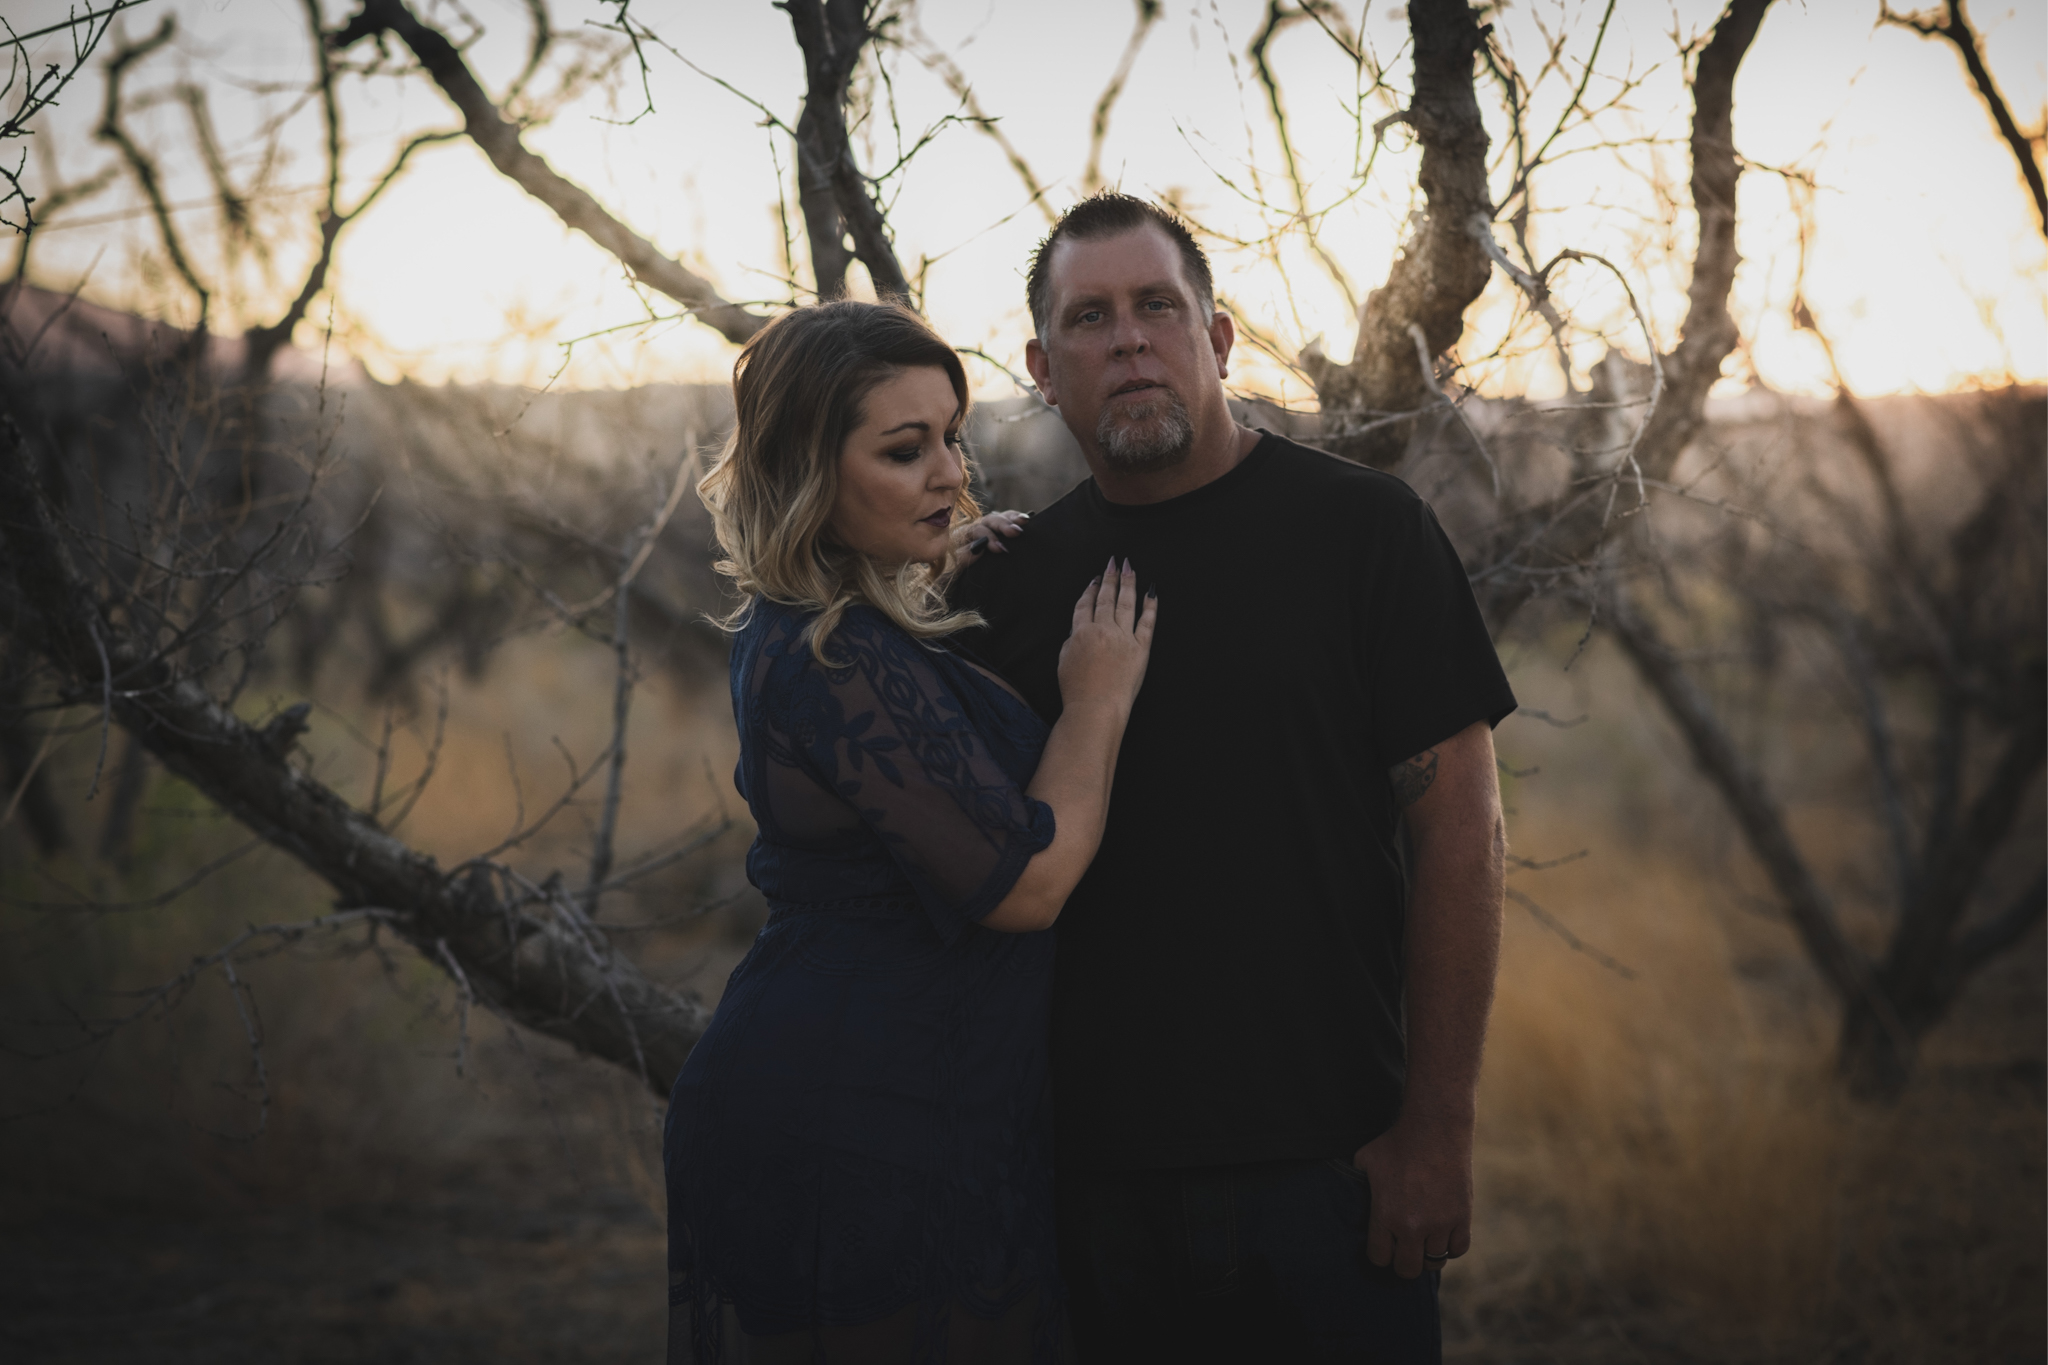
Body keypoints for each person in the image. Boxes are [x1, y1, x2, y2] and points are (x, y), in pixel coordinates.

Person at [949, 193, 1517, 1363]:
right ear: (1043, 369)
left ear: (1215, 340)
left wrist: (1434, 1131)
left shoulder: (1363, 533)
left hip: (1335, 1175)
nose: (1129, 340)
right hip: (1083, 1190)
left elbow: (1459, 833)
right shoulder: (1004, 583)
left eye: (1158, 307)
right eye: (1089, 318)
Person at [663, 300, 1156, 1365]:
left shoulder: (821, 625)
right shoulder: (838, 658)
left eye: (950, 437)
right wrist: (1097, 703)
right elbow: (1026, 884)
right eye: (903, 449)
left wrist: (916, 577)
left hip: (914, 1097)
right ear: (808, 470)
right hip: (853, 1121)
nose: (948, 474)